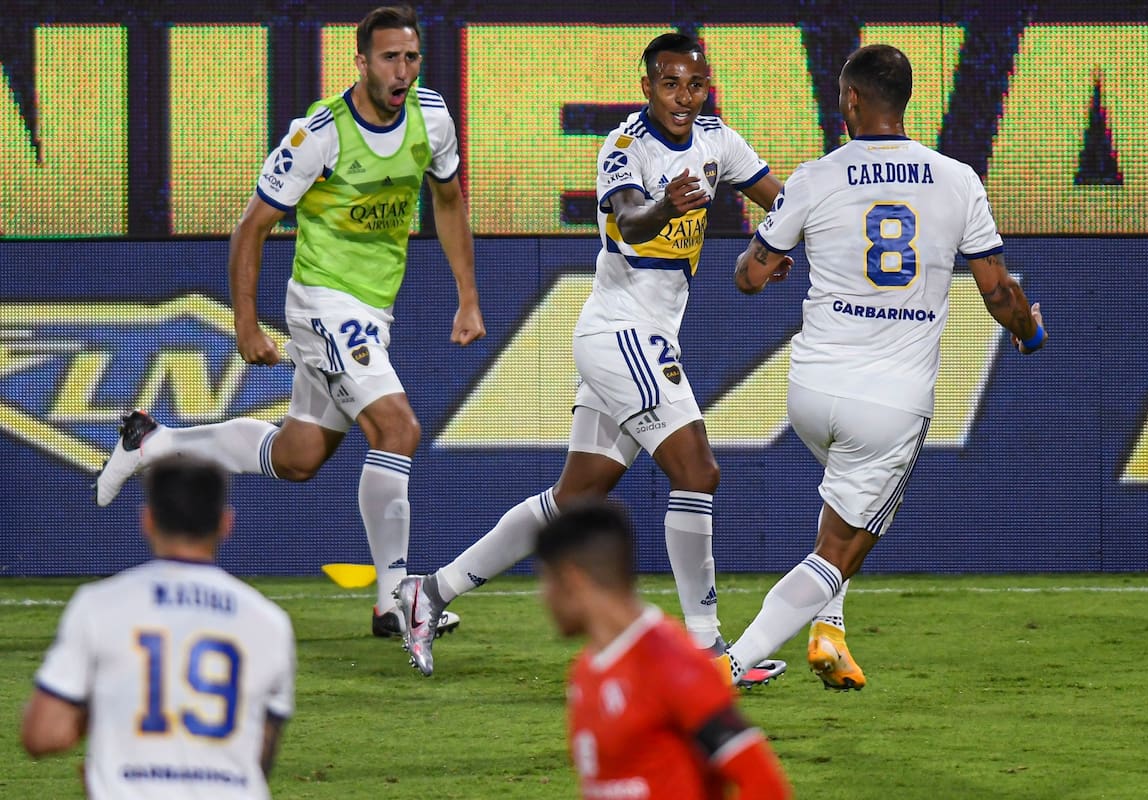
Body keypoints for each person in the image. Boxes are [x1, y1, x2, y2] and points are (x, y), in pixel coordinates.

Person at [394, 33, 783, 683]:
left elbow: (779, 196)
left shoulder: (718, 139)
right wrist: (670, 203)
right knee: (697, 471)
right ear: (646, 87)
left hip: (642, 336)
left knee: (573, 499)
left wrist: (773, 246)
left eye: (694, 84)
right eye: (669, 84)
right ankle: (709, 651)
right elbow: (629, 221)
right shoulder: (626, 147)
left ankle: (428, 592)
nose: (683, 97)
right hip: (623, 334)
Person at [93, 5, 485, 639]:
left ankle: (154, 443)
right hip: (323, 304)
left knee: (297, 457)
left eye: (411, 57)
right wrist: (247, 325)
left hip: (372, 309)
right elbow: (251, 226)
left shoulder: (431, 118)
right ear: (361, 62)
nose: (403, 70)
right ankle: (396, 599)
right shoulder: (319, 134)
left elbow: (447, 199)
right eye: (390, 58)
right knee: (398, 428)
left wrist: (468, 296)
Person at [723, 44, 1046, 689]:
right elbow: (999, 293)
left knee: (845, 502)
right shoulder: (958, 180)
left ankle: (829, 632)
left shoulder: (816, 177)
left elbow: (749, 276)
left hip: (811, 392)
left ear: (850, 100)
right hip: (891, 402)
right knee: (841, 548)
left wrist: (776, 259)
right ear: (903, 104)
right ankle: (726, 667)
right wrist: (1029, 332)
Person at [23, 456, 295, 799]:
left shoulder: (99, 606)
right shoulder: (269, 622)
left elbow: (43, 734)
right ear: (226, 523)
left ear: (147, 520)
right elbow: (261, 755)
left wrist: (103, 710)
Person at [536, 501, 793, 800]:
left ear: (573, 580)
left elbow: (764, 785)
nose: (543, 596)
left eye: (546, 580)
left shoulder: (673, 663)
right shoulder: (585, 670)